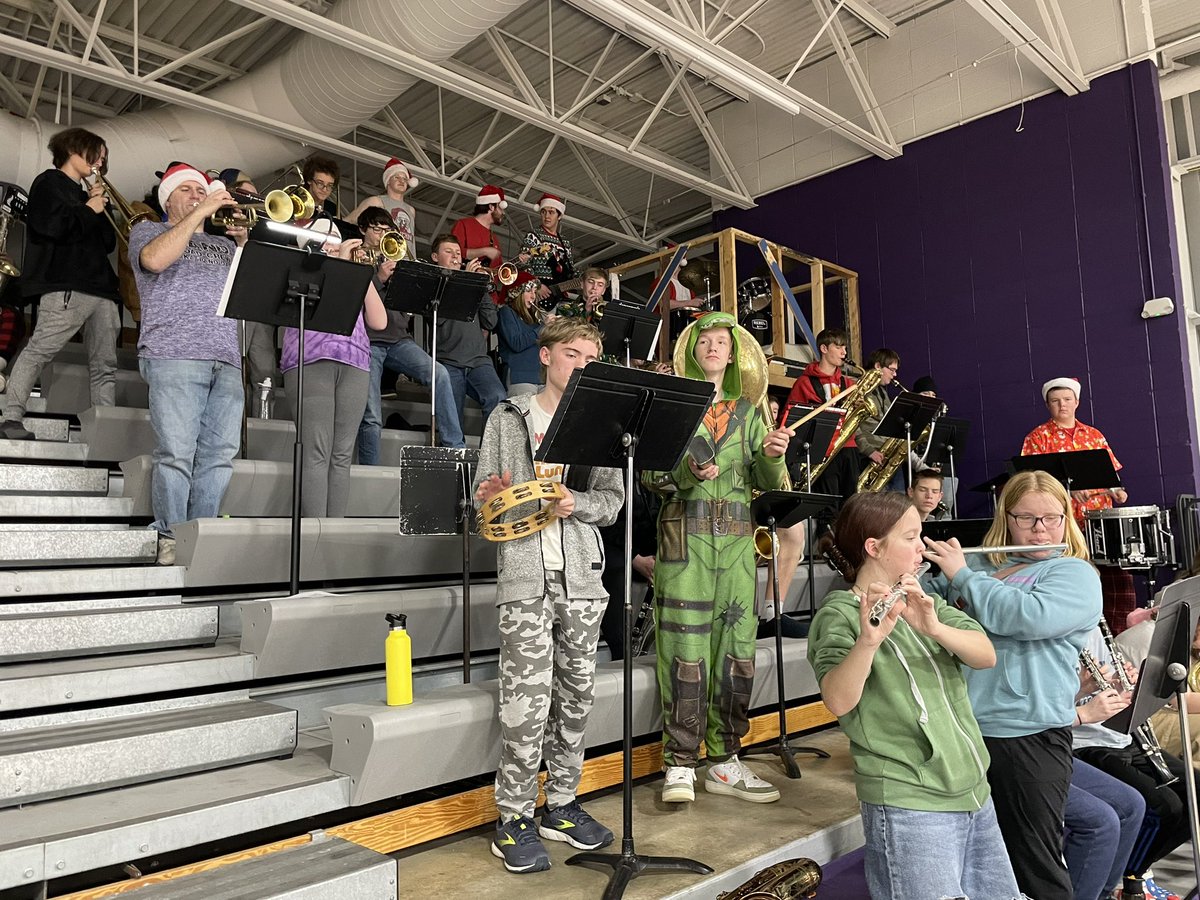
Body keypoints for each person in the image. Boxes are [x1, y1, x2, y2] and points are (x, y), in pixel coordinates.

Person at [808, 491, 1020, 900]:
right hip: (910, 801)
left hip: (973, 791)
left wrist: (933, 627)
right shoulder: (838, 614)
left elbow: (986, 655)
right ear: (874, 547)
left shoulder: (925, 602)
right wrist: (868, 642)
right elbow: (837, 700)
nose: (921, 547)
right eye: (910, 537)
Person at [473, 316, 623, 874]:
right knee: (526, 704)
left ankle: (561, 804)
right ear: (546, 355)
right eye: (571, 354)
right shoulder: (508, 415)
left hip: (582, 578)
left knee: (577, 698)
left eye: (591, 358)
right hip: (525, 578)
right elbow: (482, 497)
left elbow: (611, 502)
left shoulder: (600, 424)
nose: (581, 365)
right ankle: (513, 817)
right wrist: (490, 494)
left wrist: (576, 504)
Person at [923, 470, 1102, 899]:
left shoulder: (1074, 573)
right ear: (1006, 518)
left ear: (1066, 519)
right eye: (1026, 518)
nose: (1040, 529)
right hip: (965, 730)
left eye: (1051, 518)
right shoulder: (979, 564)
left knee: (1034, 866)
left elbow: (1027, 617)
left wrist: (963, 578)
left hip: (1029, 735)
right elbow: (927, 602)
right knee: (981, 867)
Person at [644, 311, 791, 804]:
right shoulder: (673, 407)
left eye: (720, 342)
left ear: (732, 355)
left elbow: (770, 484)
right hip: (683, 545)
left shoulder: (750, 413)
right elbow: (650, 478)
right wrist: (688, 472)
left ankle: (725, 760)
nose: (712, 347)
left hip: (737, 547)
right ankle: (680, 762)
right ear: (692, 351)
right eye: (703, 340)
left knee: (737, 648)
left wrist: (772, 454)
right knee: (682, 650)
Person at [128, 164, 248, 564]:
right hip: (174, 353)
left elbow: (251, 290)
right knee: (176, 453)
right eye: (188, 190)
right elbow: (154, 261)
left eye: (202, 190)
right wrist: (203, 211)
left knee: (219, 458)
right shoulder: (148, 230)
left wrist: (245, 244)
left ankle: (200, 537)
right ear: (168, 199)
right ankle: (170, 536)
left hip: (226, 357)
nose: (198, 195)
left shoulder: (224, 245)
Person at [1, 127, 121, 441]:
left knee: (105, 365)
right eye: (96, 155)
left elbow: (108, 242)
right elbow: (49, 227)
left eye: (103, 159)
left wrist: (99, 207)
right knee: (39, 350)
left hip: (102, 289)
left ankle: (104, 432)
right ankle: (11, 417)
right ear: (73, 150)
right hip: (66, 284)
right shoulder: (48, 183)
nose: (100, 163)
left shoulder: (87, 195)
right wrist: (87, 209)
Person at [1073, 623, 1193, 900]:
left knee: (1194, 790)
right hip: (1086, 742)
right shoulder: (1056, 633)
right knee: (1163, 807)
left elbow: (1111, 688)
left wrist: (1122, 683)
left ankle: (1135, 869)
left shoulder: (1095, 628)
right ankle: (1129, 880)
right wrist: (1082, 695)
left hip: (1121, 734)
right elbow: (1052, 708)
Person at [279, 216, 387, 518]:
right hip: (311, 359)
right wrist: (338, 264)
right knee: (317, 451)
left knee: (341, 454)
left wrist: (360, 273)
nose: (332, 244)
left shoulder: (351, 272)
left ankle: (332, 532)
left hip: (355, 362)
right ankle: (315, 532)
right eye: (324, 240)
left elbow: (379, 321)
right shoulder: (300, 270)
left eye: (335, 239)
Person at [1021, 376, 1134, 630]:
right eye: (1055, 401)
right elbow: (1030, 484)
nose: (1062, 405)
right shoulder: (1037, 438)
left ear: (1077, 402)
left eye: (1067, 399)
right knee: (1075, 581)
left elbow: (1111, 477)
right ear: (1047, 405)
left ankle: (1117, 636)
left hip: (1099, 524)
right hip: (1062, 526)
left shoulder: (1094, 435)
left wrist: (1116, 490)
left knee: (1116, 583)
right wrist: (1067, 491)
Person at [355, 208, 464, 460]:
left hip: (399, 339)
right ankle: (370, 469)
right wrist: (379, 278)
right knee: (371, 413)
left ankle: (456, 450)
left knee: (440, 375)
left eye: (387, 230)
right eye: (377, 229)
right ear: (362, 230)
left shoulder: (394, 256)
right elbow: (352, 299)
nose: (382, 235)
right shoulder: (356, 256)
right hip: (368, 341)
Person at [430, 233, 506, 434]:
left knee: (498, 397)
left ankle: (489, 451)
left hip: (479, 361)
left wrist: (481, 287)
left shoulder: (473, 285)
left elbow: (491, 321)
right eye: (449, 251)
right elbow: (439, 318)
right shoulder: (433, 285)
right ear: (435, 257)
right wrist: (465, 282)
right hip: (448, 361)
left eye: (458, 252)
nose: (456, 256)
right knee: (453, 419)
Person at [781, 327, 859, 504]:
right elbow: (790, 417)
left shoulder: (848, 383)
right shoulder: (804, 382)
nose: (844, 352)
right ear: (824, 349)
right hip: (822, 450)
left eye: (845, 348)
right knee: (827, 505)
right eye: (838, 347)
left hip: (848, 448)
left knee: (852, 504)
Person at [346, 157, 418, 256]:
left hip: (406, 257)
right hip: (383, 256)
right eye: (397, 177)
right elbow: (350, 220)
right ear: (388, 181)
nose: (402, 181)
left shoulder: (411, 210)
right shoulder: (376, 201)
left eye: (405, 179)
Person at [452, 184, 508, 302]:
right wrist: (484, 251)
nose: (503, 213)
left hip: (489, 299)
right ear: (491, 207)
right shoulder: (463, 224)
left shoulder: (494, 238)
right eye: (500, 208)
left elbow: (499, 272)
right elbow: (453, 254)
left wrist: (520, 262)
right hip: (465, 291)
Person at [853, 347, 901, 481]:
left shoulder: (882, 391)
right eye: (892, 370)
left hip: (886, 455)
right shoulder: (859, 388)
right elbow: (853, 425)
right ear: (878, 366)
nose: (895, 375)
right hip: (868, 455)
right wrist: (869, 450)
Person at [520, 193, 576, 306]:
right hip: (537, 294)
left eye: (551, 212)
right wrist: (537, 285)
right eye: (543, 212)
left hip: (559, 296)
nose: (546, 216)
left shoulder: (565, 242)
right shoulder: (533, 236)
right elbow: (523, 263)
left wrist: (586, 278)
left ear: (559, 216)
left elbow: (570, 269)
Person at [494, 271, 543, 398]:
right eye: (529, 291)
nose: (533, 296)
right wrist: (543, 328)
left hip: (540, 378)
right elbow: (516, 343)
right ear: (517, 293)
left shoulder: (535, 318)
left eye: (535, 292)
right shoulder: (506, 312)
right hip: (519, 377)